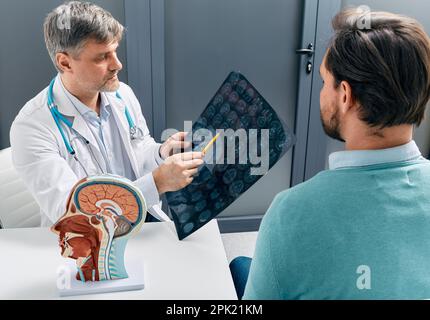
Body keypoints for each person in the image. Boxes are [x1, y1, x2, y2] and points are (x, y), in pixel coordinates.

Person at [232, 8, 430, 299]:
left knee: (241, 265)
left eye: (325, 82)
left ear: (345, 95)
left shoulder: (290, 213)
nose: (322, 92)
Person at [10, 1, 203, 227]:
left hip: (141, 221)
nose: (118, 64)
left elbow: (139, 153)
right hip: (89, 241)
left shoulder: (122, 95)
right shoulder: (32, 127)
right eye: (102, 57)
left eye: (115, 51)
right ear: (65, 62)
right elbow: (73, 213)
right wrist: (157, 183)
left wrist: (161, 153)